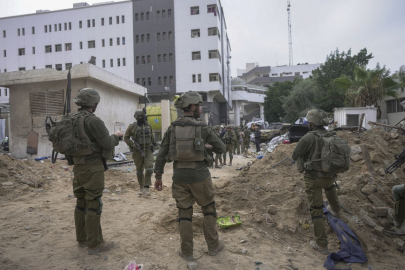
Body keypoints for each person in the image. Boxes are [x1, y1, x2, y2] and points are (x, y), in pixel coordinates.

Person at [153, 91, 226, 261]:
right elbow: (221, 148)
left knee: (184, 213)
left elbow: (162, 153)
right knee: (208, 209)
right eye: (199, 105)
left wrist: (158, 175)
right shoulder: (203, 128)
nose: (200, 108)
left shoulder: (172, 129)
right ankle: (213, 247)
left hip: (179, 178)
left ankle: (187, 252)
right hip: (200, 177)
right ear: (193, 107)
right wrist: (207, 147)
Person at [70, 88, 123, 255]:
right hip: (92, 167)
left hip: (77, 166)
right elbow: (107, 143)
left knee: (80, 203)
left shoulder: (70, 120)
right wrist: (117, 135)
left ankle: (82, 238)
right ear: (94, 103)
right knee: (93, 204)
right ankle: (95, 244)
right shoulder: (94, 121)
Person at [292, 109, 341, 255]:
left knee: (316, 210)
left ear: (312, 123)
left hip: (313, 178)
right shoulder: (332, 134)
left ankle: (322, 245)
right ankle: (337, 212)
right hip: (330, 176)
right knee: (330, 187)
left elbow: (295, 155)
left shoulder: (308, 137)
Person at [124, 110, 155, 197]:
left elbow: (152, 136)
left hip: (148, 150)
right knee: (139, 170)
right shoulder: (132, 127)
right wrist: (133, 144)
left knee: (149, 169)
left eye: (143, 116)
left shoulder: (148, 125)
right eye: (141, 117)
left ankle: (146, 187)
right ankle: (141, 187)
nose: (143, 118)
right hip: (137, 151)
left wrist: (154, 145)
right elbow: (126, 138)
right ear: (137, 118)